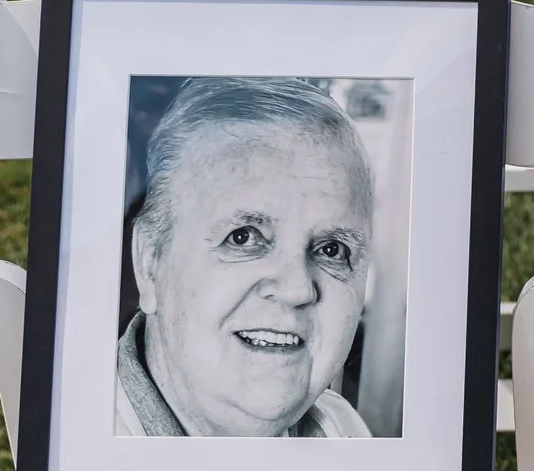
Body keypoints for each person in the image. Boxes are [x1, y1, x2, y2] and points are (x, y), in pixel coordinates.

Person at [117, 76, 376, 438]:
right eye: (243, 238)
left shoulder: (345, 432)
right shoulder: (72, 457)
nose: (297, 288)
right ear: (149, 262)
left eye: (331, 250)